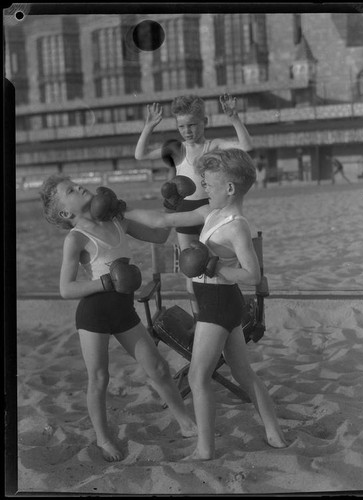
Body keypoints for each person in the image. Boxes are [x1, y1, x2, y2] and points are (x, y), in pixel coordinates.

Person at [126, 148, 287, 460]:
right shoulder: (209, 213)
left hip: (217, 305)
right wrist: (124, 212)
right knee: (244, 374)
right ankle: (274, 433)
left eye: (209, 186)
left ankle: (205, 449)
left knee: (196, 377)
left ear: (229, 189)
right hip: (220, 304)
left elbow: (253, 275)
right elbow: (163, 219)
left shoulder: (237, 225)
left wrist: (216, 268)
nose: (204, 191)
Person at [39, 176, 196, 462]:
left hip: (124, 310)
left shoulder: (117, 221)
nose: (79, 187)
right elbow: (65, 289)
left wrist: (171, 206)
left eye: (76, 183)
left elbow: (160, 236)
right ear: (65, 213)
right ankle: (102, 438)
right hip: (94, 314)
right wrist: (106, 282)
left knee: (158, 368)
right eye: (70, 191)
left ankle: (186, 423)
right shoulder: (76, 238)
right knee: (99, 377)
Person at [134, 94, 253, 317]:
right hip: (186, 212)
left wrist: (234, 118)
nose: (187, 131)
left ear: (205, 122)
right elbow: (140, 155)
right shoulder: (177, 150)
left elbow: (246, 146)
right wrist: (149, 126)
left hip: (212, 211)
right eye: (181, 126)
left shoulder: (214, 146)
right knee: (190, 270)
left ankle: (219, 309)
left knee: (217, 263)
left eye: (192, 125)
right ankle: (199, 316)